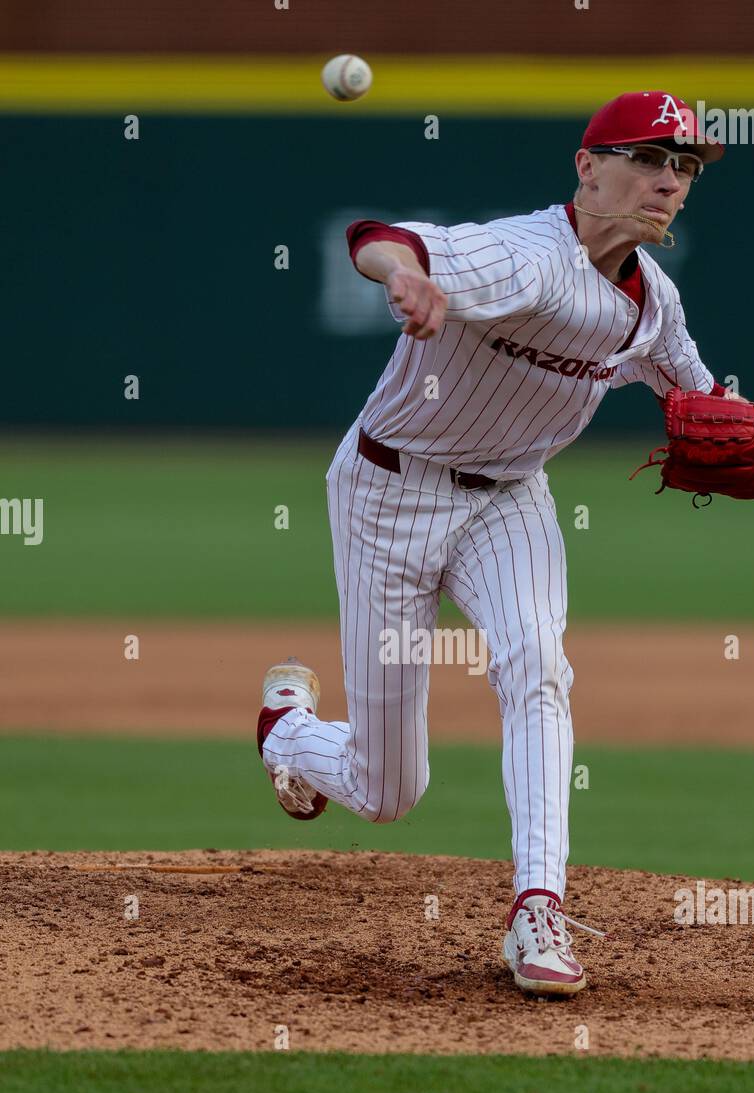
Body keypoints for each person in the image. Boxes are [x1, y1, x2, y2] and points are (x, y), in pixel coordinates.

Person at [256, 92, 728, 997]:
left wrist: (749, 438)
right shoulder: (527, 257)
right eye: (650, 157)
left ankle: (537, 911)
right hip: (387, 494)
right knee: (390, 791)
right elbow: (378, 235)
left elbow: (700, 403)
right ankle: (289, 731)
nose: (671, 179)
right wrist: (405, 277)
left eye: (687, 166)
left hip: (510, 500)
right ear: (588, 166)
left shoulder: (652, 306)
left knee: (537, 667)